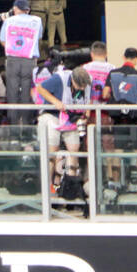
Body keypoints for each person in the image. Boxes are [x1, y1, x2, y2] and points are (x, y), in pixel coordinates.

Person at [35, 64, 90, 193]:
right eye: (79, 86)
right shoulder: (60, 78)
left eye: (84, 86)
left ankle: (72, 184)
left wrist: (85, 115)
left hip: (72, 118)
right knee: (52, 152)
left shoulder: (87, 83)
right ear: (73, 80)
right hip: (53, 116)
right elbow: (40, 88)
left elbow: (88, 101)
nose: (82, 88)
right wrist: (55, 102)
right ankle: (47, 187)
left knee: (74, 150)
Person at [104, 47, 137, 192]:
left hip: (119, 119)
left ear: (124, 58)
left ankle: (116, 183)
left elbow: (105, 94)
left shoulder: (113, 74)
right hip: (136, 120)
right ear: (136, 59)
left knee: (118, 150)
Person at [0, 0, 42, 111]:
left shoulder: (8, 21)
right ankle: (27, 125)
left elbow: (3, 41)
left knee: (12, 92)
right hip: (29, 60)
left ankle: (14, 125)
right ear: (27, 9)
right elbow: (39, 37)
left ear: (15, 8)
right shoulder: (37, 20)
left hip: (13, 60)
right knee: (27, 92)